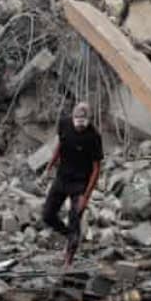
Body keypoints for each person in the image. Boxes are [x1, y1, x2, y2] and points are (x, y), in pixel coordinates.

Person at [41, 101, 103, 266]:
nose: (80, 126)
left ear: (88, 120)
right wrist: (50, 165)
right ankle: (69, 235)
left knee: (75, 218)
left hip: (80, 183)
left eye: (84, 123)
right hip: (62, 178)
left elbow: (97, 169)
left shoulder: (94, 137)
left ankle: (68, 261)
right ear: (73, 119)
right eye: (78, 122)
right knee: (47, 215)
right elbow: (61, 144)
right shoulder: (64, 124)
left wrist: (86, 197)